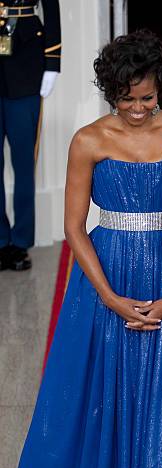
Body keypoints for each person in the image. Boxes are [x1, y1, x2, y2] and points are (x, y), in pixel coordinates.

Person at [0, 28, 162, 468]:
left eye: (148, 97)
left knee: (161, 416)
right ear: (109, 91)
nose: (138, 109)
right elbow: (73, 228)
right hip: (104, 285)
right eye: (127, 98)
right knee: (100, 405)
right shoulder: (89, 140)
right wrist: (112, 298)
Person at [0, 0, 61, 271]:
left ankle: (20, 242)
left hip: (26, 64)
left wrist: (52, 63)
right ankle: (0, 240)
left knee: (24, 164)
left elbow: (51, 9)